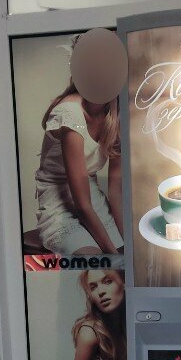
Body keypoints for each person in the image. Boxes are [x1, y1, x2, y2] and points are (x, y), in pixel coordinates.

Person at [32, 60, 124, 256]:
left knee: (125, 252)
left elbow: (116, 192)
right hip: (59, 201)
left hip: (92, 197)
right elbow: (82, 205)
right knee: (95, 258)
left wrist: (128, 247)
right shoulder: (70, 114)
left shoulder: (116, 115)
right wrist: (115, 257)